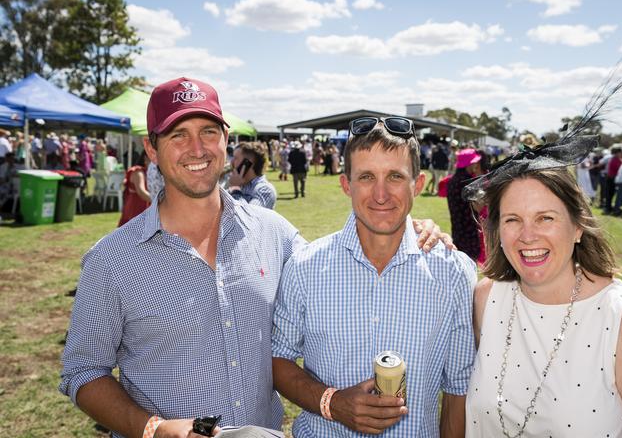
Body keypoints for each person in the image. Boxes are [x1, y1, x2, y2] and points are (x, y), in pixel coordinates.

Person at [60, 78, 449, 438]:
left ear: (225, 138)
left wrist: (408, 229)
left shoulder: (273, 232)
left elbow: (338, 265)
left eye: (208, 132)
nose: (197, 149)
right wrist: (154, 429)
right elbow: (83, 371)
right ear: (152, 148)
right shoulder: (112, 260)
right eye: (179, 135)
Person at [272, 117, 476, 438]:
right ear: (346, 184)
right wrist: (333, 402)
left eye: (395, 176)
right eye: (367, 177)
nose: (381, 194)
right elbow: (278, 358)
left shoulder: (454, 272)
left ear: (418, 185)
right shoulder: (306, 266)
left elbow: (458, 388)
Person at [464, 90, 622, 436]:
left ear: (578, 226)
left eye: (546, 218)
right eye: (512, 219)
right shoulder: (485, 299)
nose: (527, 236)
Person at [446, 148, 482, 262]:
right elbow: (479, 206)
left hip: (457, 228)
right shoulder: (469, 182)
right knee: (470, 265)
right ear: (469, 164)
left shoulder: (452, 180)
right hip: (470, 230)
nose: (476, 164)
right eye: (474, 162)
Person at [228, 141, 277, 209]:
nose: (231, 162)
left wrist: (235, 189)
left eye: (236, 158)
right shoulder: (241, 184)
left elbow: (248, 216)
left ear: (246, 163)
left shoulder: (265, 190)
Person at [117, 150, 151, 227]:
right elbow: (141, 192)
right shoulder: (138, 171)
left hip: (147, 210)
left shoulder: (152, 173)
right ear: (145, 158)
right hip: (135, 210)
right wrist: (159, 201)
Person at [604, 147, 622, 213]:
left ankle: (608, 208)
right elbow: (620, 168)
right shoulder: (615, 159)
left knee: (610, 194)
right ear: (618, 153)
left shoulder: (615, 159)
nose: (621, 154)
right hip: (611, 179)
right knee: (609, 194)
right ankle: (607, 209)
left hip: (611, 179)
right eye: (620, 153)